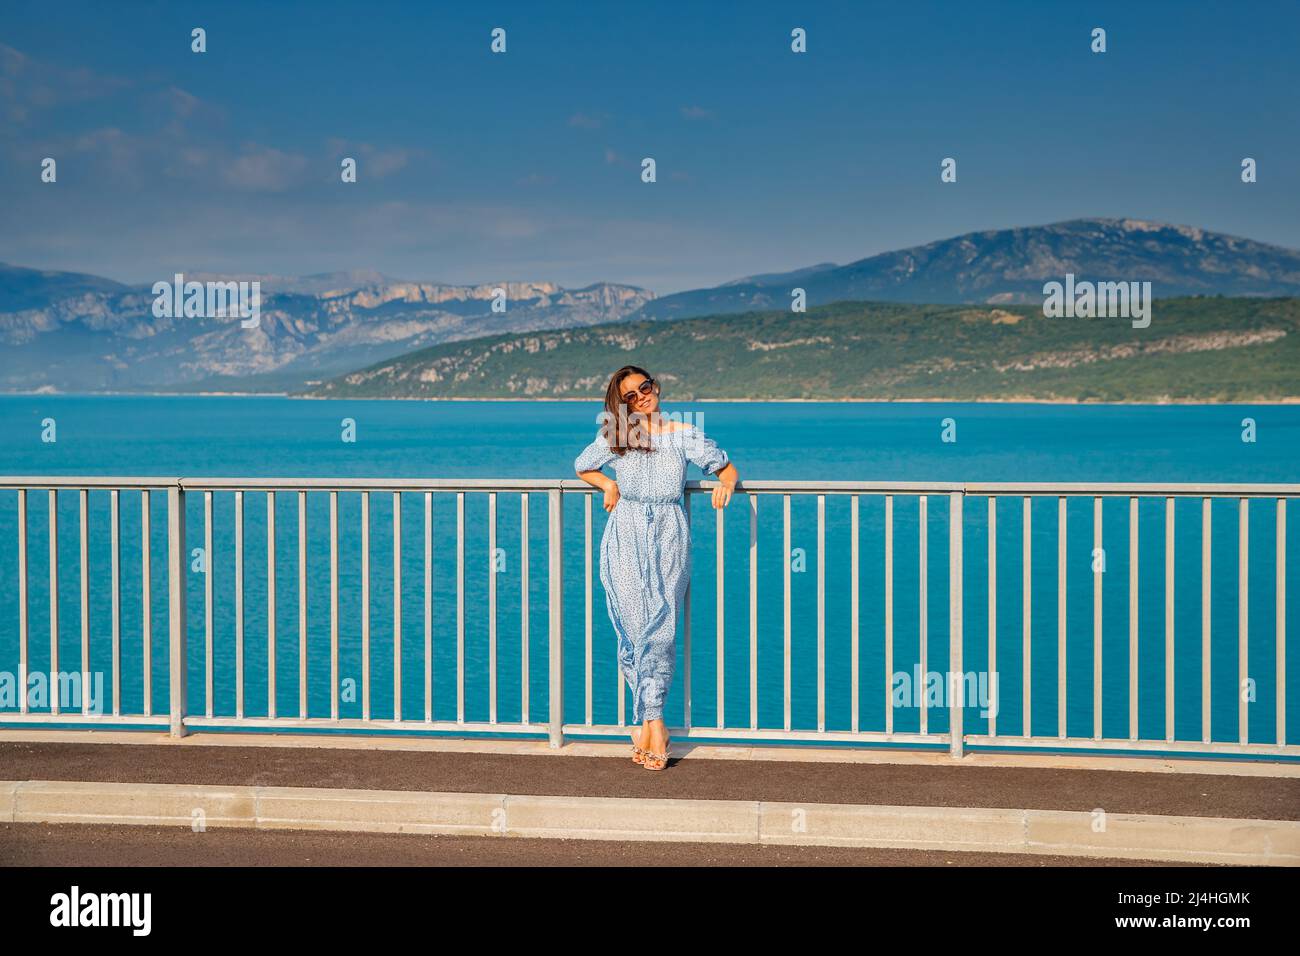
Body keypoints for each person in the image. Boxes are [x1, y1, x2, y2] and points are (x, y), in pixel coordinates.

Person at [573, 365, 739, 770]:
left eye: (643, 389)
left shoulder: (684, 433)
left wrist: (727, 484)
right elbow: (582, 465)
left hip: (668, 534)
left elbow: (725, 467)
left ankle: (649, 723)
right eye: (629, 396)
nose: (640, 398)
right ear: (622, 403)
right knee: (633, 631)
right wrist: (609, 484)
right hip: (624, 534)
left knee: (659, 631)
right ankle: (655, 723)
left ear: (656, 387)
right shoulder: (617, 435)